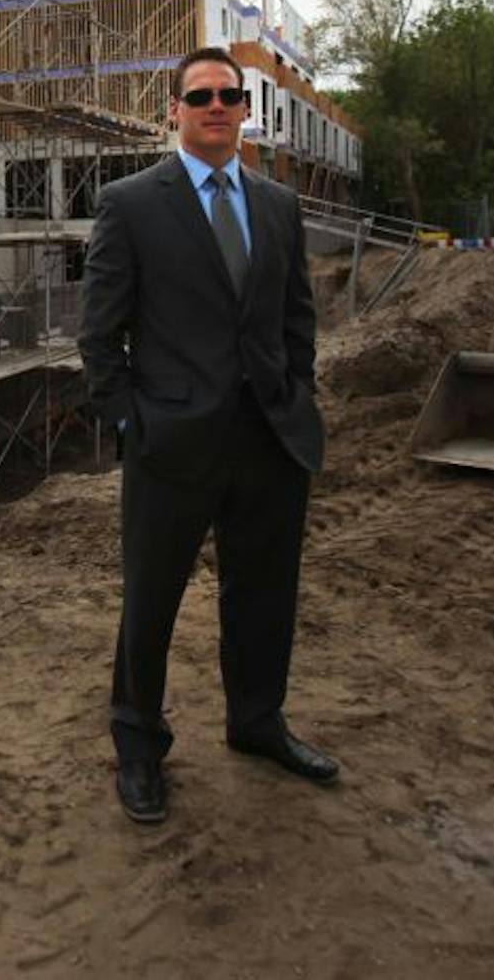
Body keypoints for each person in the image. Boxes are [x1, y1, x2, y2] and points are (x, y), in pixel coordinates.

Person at [78, 45, 337, 825]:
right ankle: (138, 744)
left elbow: (297, 316)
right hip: (171, 442)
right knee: (150, 602)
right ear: (175, 111)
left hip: (268, 436)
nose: (216, 106)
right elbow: (99, 336)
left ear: (245, 110)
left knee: (264, 595)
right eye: (201, 96)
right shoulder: (131, 204)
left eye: (229, 94)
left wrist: (295, 393)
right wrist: (133, 421)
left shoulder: (277, 204)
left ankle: (257, 722)